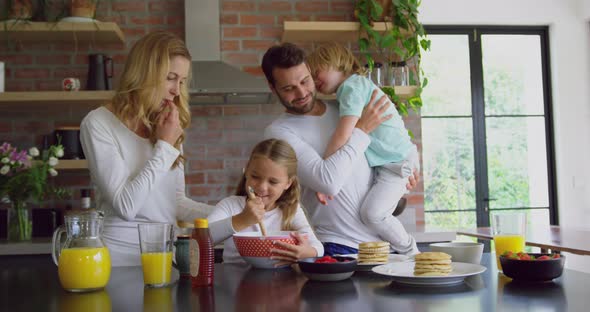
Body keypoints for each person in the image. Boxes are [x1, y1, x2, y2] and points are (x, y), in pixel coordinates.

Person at [261, 43, 420, 256]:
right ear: (273, 88)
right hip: (338, 247)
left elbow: (375, 164)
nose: (301, 92)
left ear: (310, 71)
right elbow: (327, 182)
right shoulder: (279, 132)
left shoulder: (345, 108)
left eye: (305, 80)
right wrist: (362, 129)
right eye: (288, 88)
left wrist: (404, 176)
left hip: (381, 246)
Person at [80, 31, 213, 266]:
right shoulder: (98, 123)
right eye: (170, 77)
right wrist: (165, 146)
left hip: (165, 259)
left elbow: (176, 203)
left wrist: (229, 211)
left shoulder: (166, 124)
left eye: (181, 81)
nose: (176, 90)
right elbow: (126, 206)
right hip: (119, 263)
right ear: (143, 73)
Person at [208, 139, 323, 266]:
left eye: (273, 182)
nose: (262, 187)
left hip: (280, 282)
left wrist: (305, 252)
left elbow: (318, 247)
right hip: (234, 279)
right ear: (246, 172)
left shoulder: (291, 209)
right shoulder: (230, 205)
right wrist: (242, 220)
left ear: (288, 183)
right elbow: (200, 240)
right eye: (255, 177)